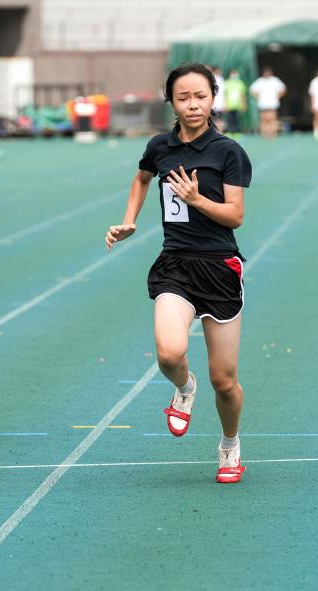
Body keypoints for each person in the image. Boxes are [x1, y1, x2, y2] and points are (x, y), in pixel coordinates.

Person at [105, 63, 252, 483]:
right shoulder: (159, 146)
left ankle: (229, 445)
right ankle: (185, 389)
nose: (193, 105)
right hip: (176, 263)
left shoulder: (228, 152)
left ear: (213, 98)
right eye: (184, 97)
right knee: (169, 353)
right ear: (170, 100)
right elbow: (141, 178)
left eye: (200, 97)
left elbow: (235, 216)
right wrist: (129, 219)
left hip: (220, 267)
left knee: (224, 380)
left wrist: (196, 199)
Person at [249, 66, 286, 139]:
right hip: (263, 104)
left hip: (272, 103)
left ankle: (273, 133)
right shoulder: (260, 81)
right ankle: (265, 134)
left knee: (272, 118)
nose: (267, 73)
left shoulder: (275, 80)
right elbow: (252, 90)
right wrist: (258, 97)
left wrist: (278, 96)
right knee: (264, 119)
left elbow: (283, 89)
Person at [223, 69, 247, 134]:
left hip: (238, 105)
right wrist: (225, 105)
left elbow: (243, 95)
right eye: (233, 73)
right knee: (230, 120)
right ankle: (230, 132)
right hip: (229, 105)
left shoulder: (240, 83)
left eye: (235, 73)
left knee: (237, 120)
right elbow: (225, 94)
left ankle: (237, 132)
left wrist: (244, 104)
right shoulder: (227, 83)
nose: (234, 75)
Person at [211, 66, 226, 130]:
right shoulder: (210, 78)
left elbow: (224, 92)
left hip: (220, 104)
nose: (219, 72)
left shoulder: (221, 79)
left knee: (219, 119)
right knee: (211, 119)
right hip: (212, 104)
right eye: (218, 70)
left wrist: (225, 103)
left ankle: (219, 133)